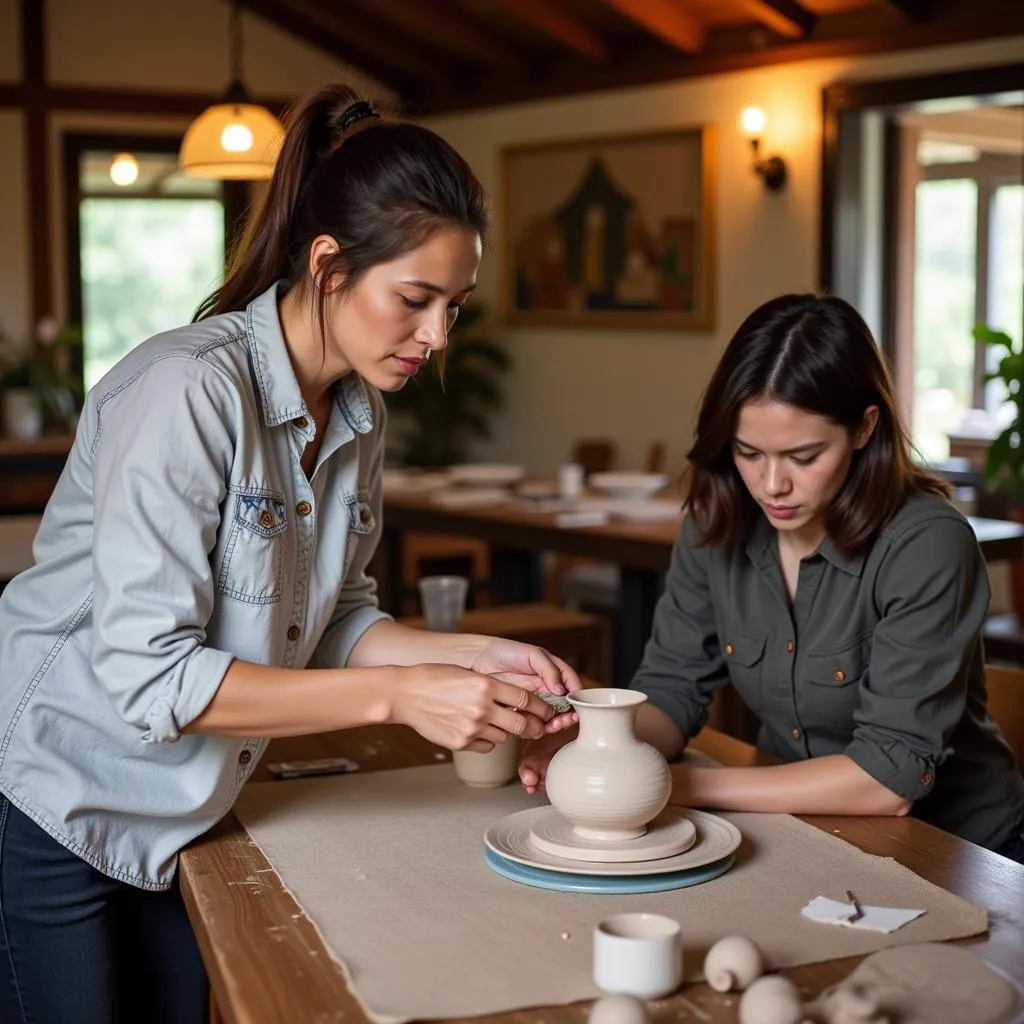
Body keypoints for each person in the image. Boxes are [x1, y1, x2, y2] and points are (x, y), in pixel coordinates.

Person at [0, 85, 580, 1024]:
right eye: (415, 300)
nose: (437, 337)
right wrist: (402, 696)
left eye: (455, 306)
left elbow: (338, 615)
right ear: (329, 265)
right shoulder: (188, 390)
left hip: (181, 812)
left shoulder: (358, 410)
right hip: (50, 801)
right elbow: (152, 681)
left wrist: (473, 657)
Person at [522, 293, 1024, 864]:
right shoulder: (716, 524)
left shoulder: (926, 543)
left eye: (803, 456)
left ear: (864, 428)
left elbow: (888, 780)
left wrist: (671, 786)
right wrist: (599, 750)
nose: (771, 485)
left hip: (960, 853)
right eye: (748, 452)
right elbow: (669, 692)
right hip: (801, 828)